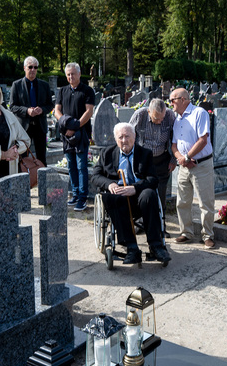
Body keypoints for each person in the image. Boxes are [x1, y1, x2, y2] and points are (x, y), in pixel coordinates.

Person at [90, 122, 171, 265]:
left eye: (127, 136)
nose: (124, 140)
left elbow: (153, 179)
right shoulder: (106, 154)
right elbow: (95, 176)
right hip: (118, 196)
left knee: (150, 195)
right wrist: (110, 184)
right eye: (120, 137)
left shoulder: (145, 154)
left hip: (138, 195)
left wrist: (134, 188)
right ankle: (132, 248)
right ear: (115, 139)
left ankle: (156, 245)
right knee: (111, 198)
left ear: (134, 137)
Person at [170, 88, 216, 248]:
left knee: (205, 202)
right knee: (182, 201)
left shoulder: (199, 113)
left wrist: (187, 157)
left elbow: (203, 139)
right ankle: (186, 232)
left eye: (172, 100)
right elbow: (174, 144)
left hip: (201, 164)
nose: (171, 104)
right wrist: (181, 159)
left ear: (183, 99)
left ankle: (207, 235)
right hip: (184, 165)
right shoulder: (177, 119)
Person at [53, 62, 94, 211]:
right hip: (66, 134)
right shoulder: (62, 90)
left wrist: (75, 126)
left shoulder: (87, 90)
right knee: (71, 166)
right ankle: (75, 194)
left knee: (81, 166)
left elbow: (89, 112)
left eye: (73, 74)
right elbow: (57, 110)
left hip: (81, 133)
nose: (71, 76)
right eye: (68, 74)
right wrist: (65, 124)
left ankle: (83, 198)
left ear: (79, 73)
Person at [130, 98, 175, 215]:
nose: (160, 121)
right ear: (149, 112)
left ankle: (161, 223)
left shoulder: (170, 115)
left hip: (161, 159)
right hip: (142, 159)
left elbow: (175, 139)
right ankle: (141, 220)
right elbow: (129, 135)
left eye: (162, 118)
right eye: (156, 118)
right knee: (142, 190)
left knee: (161, 192)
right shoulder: (140, 115)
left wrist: (173, 159)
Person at [9, 56, 53, 166]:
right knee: (23, 157)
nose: (33, 69)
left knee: (41, 157)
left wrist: (42, 109)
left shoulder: (44, 85)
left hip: (40, 126)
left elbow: (50, 105)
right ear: (24, 68)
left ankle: (42, 181)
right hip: (24, 127)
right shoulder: (17, 85)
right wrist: (26, 110)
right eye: (30, 67)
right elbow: (13, 106)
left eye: (35, 67)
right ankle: (25, 180)